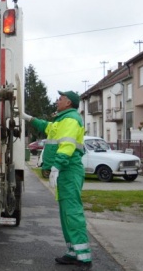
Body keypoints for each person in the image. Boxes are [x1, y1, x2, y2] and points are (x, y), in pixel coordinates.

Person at [22, 90, 92, 270]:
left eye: (60, 99)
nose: (57, 101)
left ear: (68, 103)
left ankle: (83, 257)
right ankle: (73, 252)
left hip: (68, 170)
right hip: (66, 171)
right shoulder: (62, 119)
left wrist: (57, 166)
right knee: (66, 214)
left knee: (72, 213)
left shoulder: (70, 119)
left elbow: (67, 145)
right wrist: (28, 118)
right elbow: (47, 127)